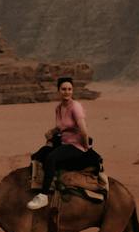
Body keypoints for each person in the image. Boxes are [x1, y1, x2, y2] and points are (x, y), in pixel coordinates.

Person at [28, 75, 102, 210]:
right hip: (63, 142)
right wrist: (51, 131)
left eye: (69, 89)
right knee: (39, 155)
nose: (66, 91)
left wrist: (86, 148)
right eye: (63, 89)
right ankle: (52, 183)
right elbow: (61, 127)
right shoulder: (58, 108)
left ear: (72, 91)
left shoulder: (76, 107)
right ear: (59, 91)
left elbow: (84, 131)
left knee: (51, 158)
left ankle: (43, 196)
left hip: (76, 145)